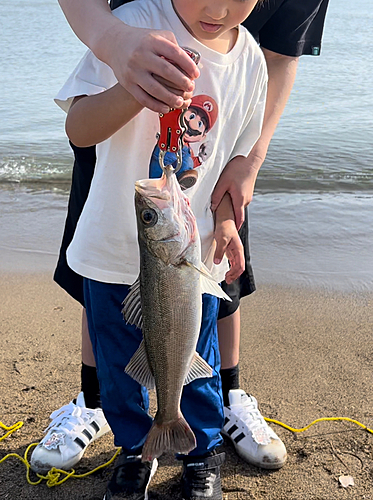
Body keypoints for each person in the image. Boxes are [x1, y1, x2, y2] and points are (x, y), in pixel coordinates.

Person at [30, 0, 329, 476]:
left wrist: (229, 222)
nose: (217, 6)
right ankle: (134, 450)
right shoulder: (132, 24)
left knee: (199, 365)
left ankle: (198, 453)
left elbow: (232, 159)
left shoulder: (250, 58)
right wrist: (132, 88)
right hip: (110, 251)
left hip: (194, 264)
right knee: (119, 368)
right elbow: (78, 129)